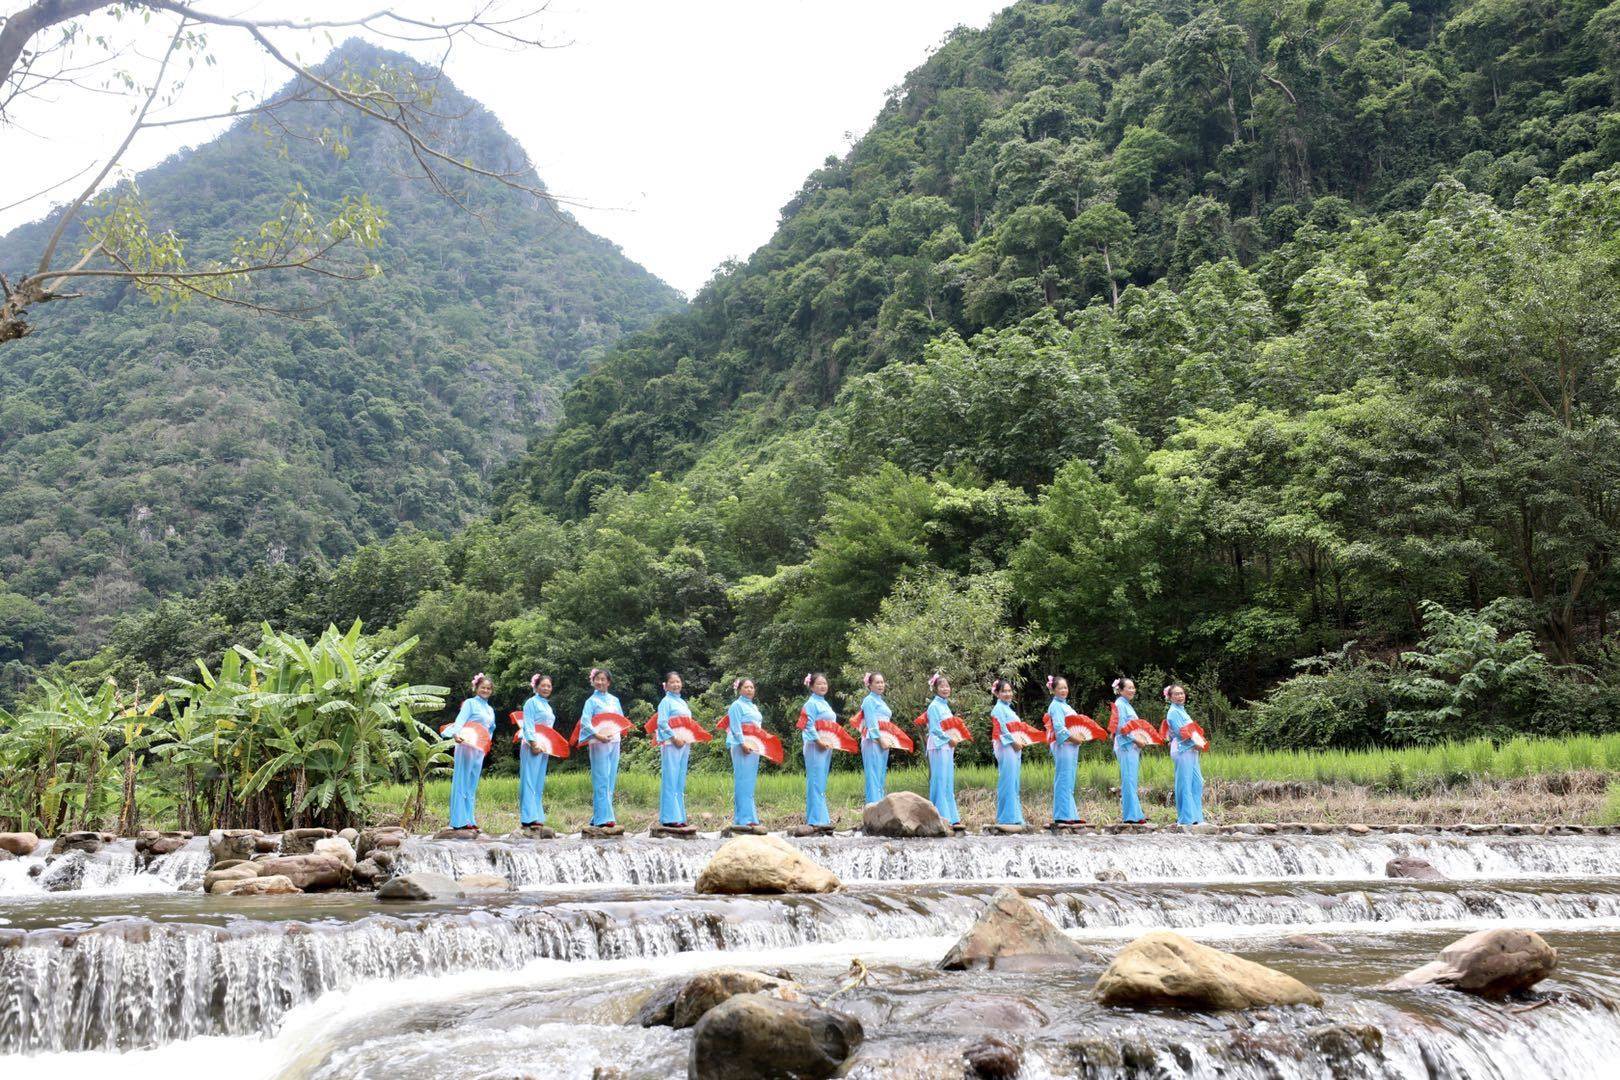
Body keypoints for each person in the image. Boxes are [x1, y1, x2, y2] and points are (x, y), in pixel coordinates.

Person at [445, 673, 495, 831]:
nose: (485, 690)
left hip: (479, 748)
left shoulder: (490, 709)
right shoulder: (470, 703)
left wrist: (486, 745)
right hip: (466, 744)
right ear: (476, 688)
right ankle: (459, 820)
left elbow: (490, 729)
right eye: (483, 687)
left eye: (488, 688)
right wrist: (456, 734)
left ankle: (470, 818)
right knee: (462, 780)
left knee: (472, 783)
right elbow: (460, 720)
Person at [579, 667, 624, 828]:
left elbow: (620, 719)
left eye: (603, 679)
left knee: (611, 778)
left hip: (614, 739)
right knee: (601, 778)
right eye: (597, 679)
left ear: (608, 682)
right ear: (593, 682)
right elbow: (585, 722)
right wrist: (598, 735)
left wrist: (614, 731)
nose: (600, 682)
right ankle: (604, 818)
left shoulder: (614, 700)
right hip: (598, 741)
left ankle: (599, 815)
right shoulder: (590, 701)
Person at [655, 671, 693, 827]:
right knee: (670, 778)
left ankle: (680, 816)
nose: (676, 684)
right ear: (666, 685)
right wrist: (673, 737)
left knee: (680, 779)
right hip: (671, 743)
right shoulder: (666, 702)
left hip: (684, 742)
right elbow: (662, 723)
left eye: (678, 682)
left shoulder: (683, 703)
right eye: (672, 682)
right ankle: (669, 817)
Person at [726, 678, 764, 828]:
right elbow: (735, 726)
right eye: (746, 687)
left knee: (750, 782)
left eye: (752, 687)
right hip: (741, 745)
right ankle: (743, 819)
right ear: (739, 689)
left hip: (754, 745)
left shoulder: (754, 707)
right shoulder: (736, 705)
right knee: (742, 780)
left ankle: (750, 817)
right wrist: (742, 743)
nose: (749, 690)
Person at [518, 674, 555, 827]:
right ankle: (528, 817)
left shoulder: (547, 705)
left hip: (544, 746)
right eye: (543, 685)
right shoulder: (531, 703)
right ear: (536, 687)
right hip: (531, 745)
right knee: (529, 779)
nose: (546, 688)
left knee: (539, 781)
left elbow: (549, 729)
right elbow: (528, 724)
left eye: (549, 686)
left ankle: (538, 815)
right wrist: (533, 743)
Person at [800, 672, 836, 830]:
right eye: (819, 684)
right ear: (812, 686)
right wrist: (818, 740)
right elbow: (808, 725)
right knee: (815, 780)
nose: (823, 686)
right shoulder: (810, 704)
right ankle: (815, 819)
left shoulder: (825, 703)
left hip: (826, 745)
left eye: (825, 683)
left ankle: (822, 817)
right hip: (815, 745)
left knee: (821, 780)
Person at [1165, 684, 1205, 825]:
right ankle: (1186, 818)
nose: (1180, 696)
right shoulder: (1173, 712)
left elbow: (1191, 731)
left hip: (1191, 749)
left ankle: (1196, 816)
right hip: (1182, 749)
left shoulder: (1182, 711)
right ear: (1170, 697)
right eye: (1176, 694)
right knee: (1184, 783)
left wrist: (1198, 742)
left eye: (1181, 693)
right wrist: (1195, 743)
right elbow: (1179, 732)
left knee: (1197, 782)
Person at [924, 672, 961, 827]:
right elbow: (935, 729)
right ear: (935, 688)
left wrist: (954, 738)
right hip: (938, 745)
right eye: (942, 686)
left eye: (947, 686)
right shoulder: (933, 706)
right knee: (939, 779)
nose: (945, 689)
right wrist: (949, 739)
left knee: (947, 780)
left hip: (947, 746)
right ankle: (940, 815)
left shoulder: (945, 706)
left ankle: (952, 817)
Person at [1045, 675, 1082, 825]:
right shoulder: (1055, 706)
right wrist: (1074, 738)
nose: (1063, 690)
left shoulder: (1066, 706)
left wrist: (1077, 739)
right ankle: (1062, 814)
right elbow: (1059, 728)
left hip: (1071, 745)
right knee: (1063, 777)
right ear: (1053, 690)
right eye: (1060, 688)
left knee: (1070, 778)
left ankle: (1070, 813)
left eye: (1065, 687)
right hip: (1064, 744)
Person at [1109, 676, 1147, 824]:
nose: (1132, 690)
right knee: (1128, 779)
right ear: (1120, 690)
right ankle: (1131, 815)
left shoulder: (1127, 705)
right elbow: (1120, 728)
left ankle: (1135, 813)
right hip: (1126, 745)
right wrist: (1136, 739)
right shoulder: (1120, 704)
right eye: (1128, 688)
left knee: (1132, 779)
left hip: (1131, 746)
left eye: (1133, 687)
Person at [990, 679, 1025, 826]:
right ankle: (1006, 817)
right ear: (997, 693)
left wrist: (1019, 741)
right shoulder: (998, 709)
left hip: (1014, 746)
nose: (1008, 693)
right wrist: (1013, 742)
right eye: (1004, 691)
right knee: (1007, 779)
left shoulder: (1008, 709)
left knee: (1014, 780)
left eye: (1009, 691)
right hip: (1006, 746)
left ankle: (1014, 816)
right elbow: (1002, 730)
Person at [857, 671, 891, 804]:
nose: (881, 685)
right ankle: (873, 807)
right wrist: (880, 739)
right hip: (873, 740)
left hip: (884, 740)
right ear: (869, 685)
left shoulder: (880, 701)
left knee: (880, 774)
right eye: (877, 682)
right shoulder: (869, 700)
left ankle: (880, 808)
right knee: (873, 775)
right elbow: (871, 723)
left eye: (882, 682)